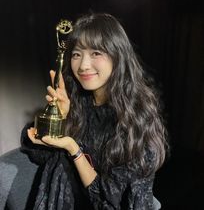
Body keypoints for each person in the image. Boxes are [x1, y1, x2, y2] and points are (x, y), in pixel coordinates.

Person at [24, 13, 168, 210]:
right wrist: (62, 120)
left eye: (96, 53)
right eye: (76, 54)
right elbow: (39, 156)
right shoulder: (78, 102)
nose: (83, 65)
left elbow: (109, 201)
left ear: (118, 56)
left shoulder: (136, 120)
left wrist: (74, 149)